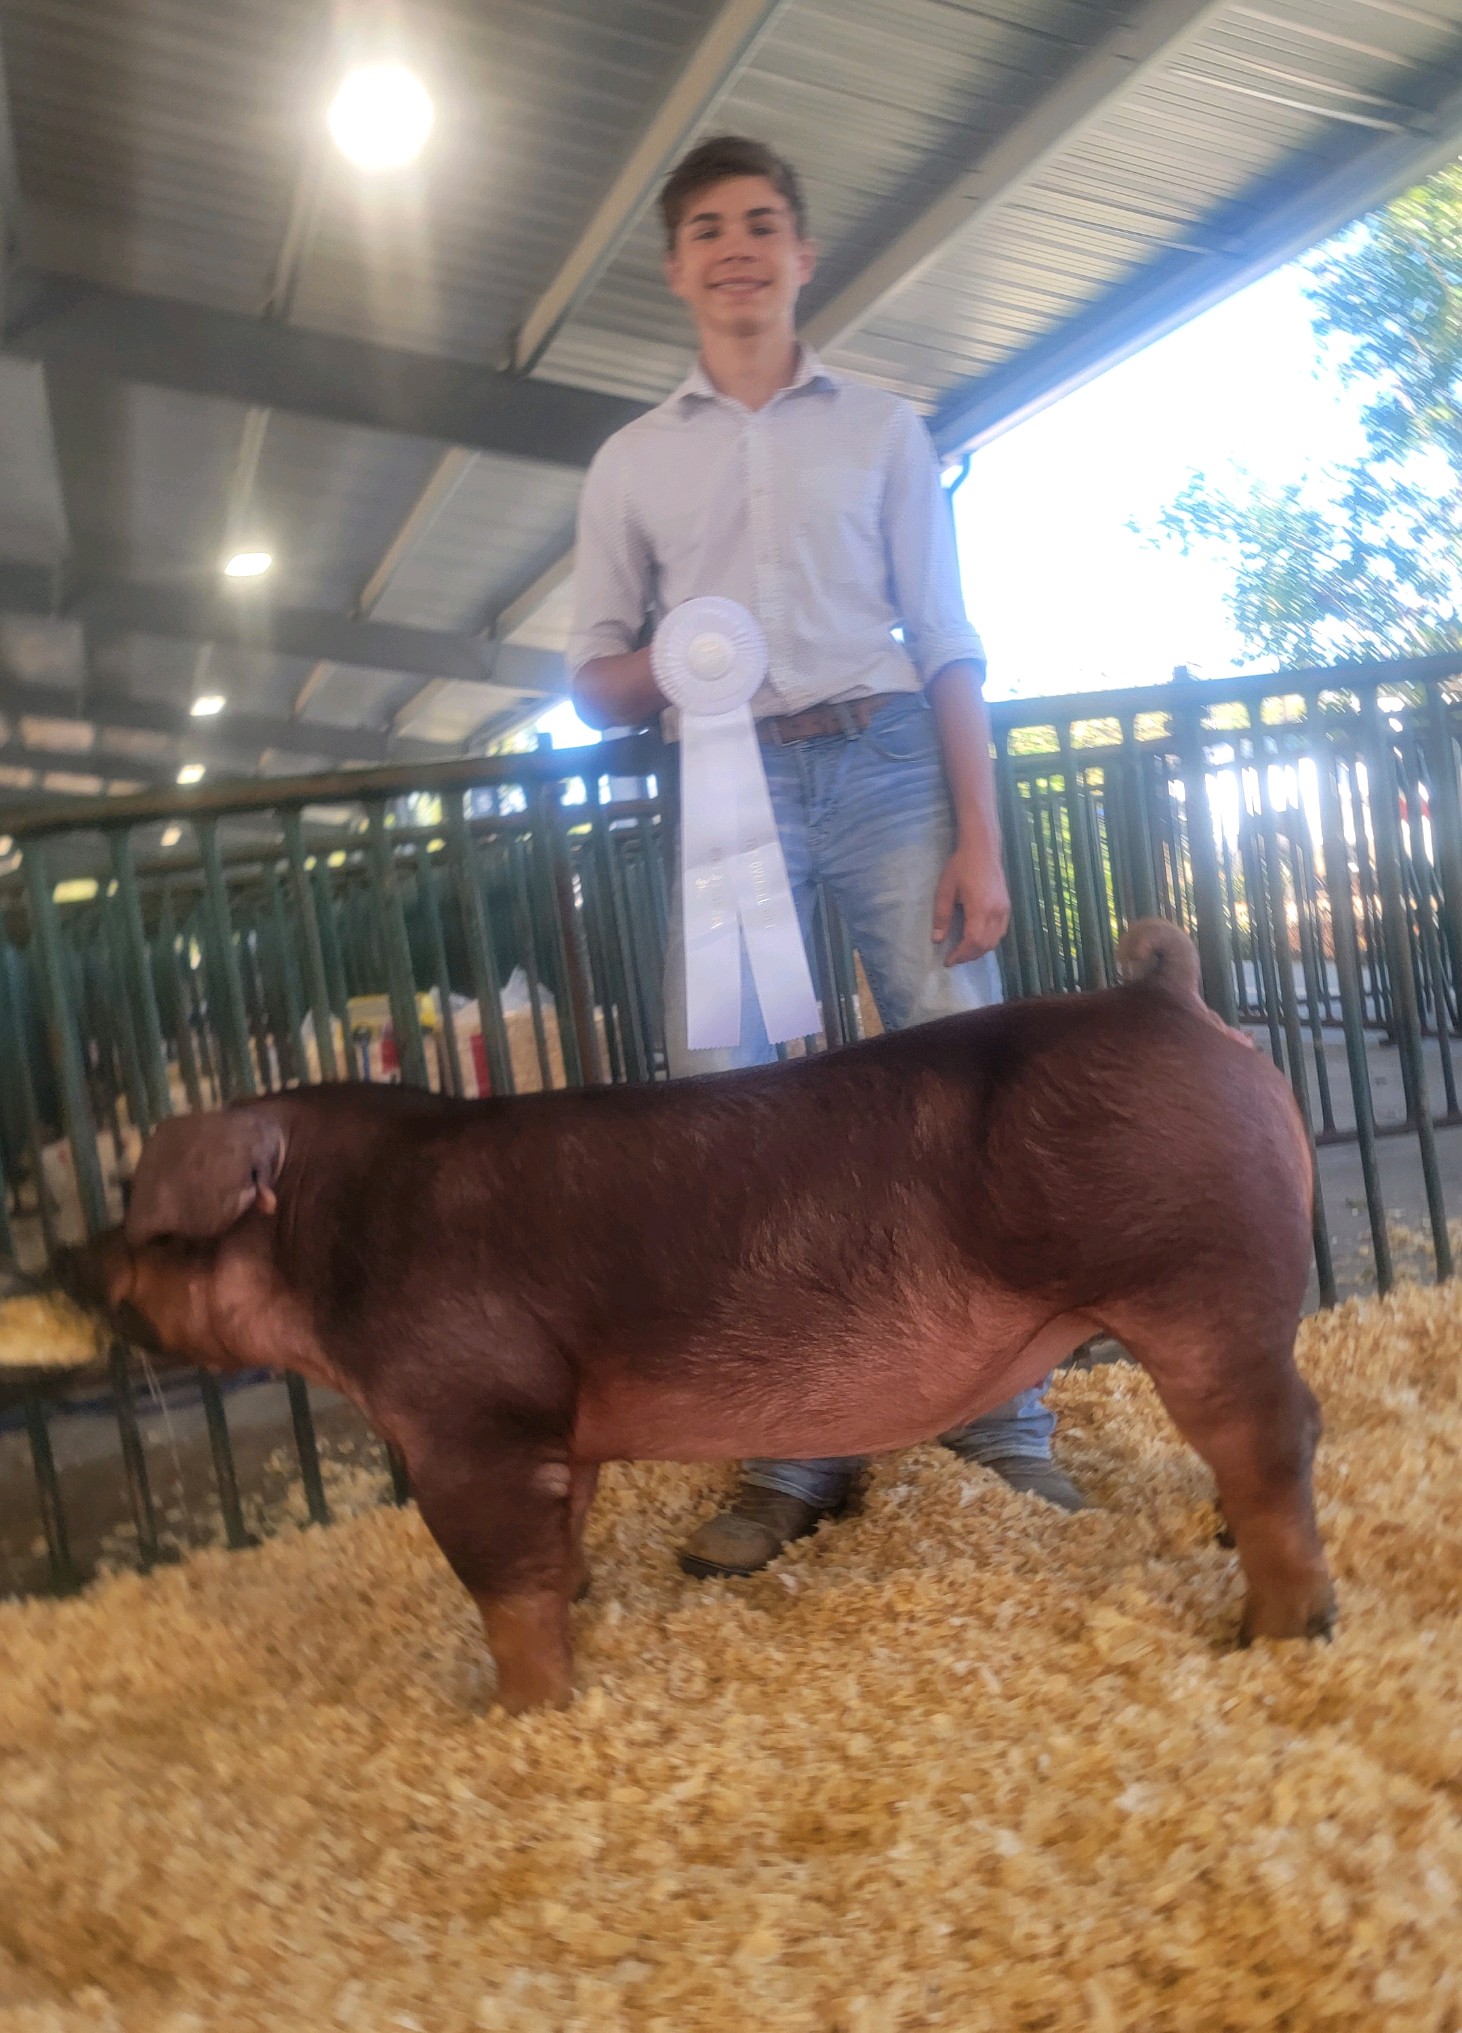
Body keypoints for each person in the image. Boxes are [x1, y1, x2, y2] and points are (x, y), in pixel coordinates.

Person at [567, 134, 1086, 1579]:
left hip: (885, 768)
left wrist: (979, 834)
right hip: (731, 796)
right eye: (709, 229)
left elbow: (949, 641)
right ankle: (794, 1441)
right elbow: (591, 677)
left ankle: (1004, 1413)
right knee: (742, 1118)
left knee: (962, 1073)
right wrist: (675, 667)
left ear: (801, 256)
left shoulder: (883, 429)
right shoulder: (629, 463)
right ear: (676, 267)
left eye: (763, 224)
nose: (736, 247)